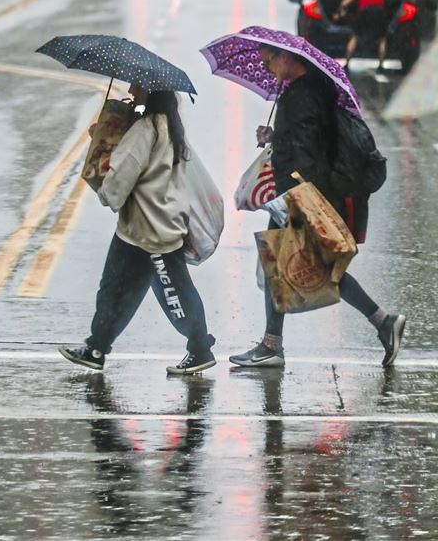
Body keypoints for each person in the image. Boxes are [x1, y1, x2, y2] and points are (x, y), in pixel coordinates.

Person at [229, 44, 406, 369]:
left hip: (299, 195)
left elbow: (309, 152)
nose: (266, 67)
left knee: (295, 267)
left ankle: (380, 322)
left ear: (287, 58)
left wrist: (295, 197)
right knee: (286, 266)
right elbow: (307, 140)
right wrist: (274, 136)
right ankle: (275, 344)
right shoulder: (307, 90)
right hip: (300, 192)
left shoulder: (303, 95)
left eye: (269, 61)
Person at [60, 84, 216, 375]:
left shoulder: (147, 129)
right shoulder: (169, 126)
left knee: (172, 294)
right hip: (145, 228)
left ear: (150, 91)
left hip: (151, 232)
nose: (131, 88)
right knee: (117, 292)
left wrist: (105, 176)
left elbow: (121, 176)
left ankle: (200, 349)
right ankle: (96, 348)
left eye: (137, 84)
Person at [335, 0, 389, 74]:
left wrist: (340, 13)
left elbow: (344, 2)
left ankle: (347, 64)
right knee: (382, 38)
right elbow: (383, 6)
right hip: (379, 12)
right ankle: (381, 66)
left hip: (364, 11)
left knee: (355, 37)